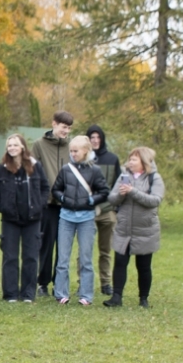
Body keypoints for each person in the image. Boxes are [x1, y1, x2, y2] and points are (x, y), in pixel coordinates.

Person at [50, 135, 108, 305]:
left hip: (86, 219)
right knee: (62, 258)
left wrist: (91, 201)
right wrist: (64, 199)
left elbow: (104, 191)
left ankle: (86, 295)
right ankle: (61, 293)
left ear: (85, 151)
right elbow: (56, 189)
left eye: (76, 151)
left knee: (86, 258)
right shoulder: (66, 169)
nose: (73, 154)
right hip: (66, 217)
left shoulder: (95, 171)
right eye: (71, 151)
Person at [105, 147, 165, 308]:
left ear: (143, 162)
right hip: (124, 229)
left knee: (144, 266)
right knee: (120, 262)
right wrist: (121, 194)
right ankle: (116, 297)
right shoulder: (124, 176)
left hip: (146, 230)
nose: (130, 162)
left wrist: (133, 191)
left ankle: (143, 299)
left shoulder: (154, 178)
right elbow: (112, 199)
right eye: (130, 159)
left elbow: (154, 201)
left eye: (134, 159)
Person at [0, 134, 46, 302]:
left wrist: (39, 205)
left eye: (15, 145)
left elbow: (45, 187)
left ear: (22, 147)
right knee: (10, 257)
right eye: (9, 145)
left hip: (32, 219)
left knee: (30, 256)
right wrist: (1, 207)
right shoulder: (2, 168)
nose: (12, 148)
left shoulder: (35, 167)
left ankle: (28, 293)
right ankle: (11, 294)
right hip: (10, 220)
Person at [30, 112, 74, 297]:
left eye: (69, 128)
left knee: (63, 246)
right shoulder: (39, 145)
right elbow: (33, 171)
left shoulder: (71, 147)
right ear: (54, 124)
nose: (66, 131)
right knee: (46, 245)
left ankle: (60, 283)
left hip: (67, 203)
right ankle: (43, 283)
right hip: (47, 203)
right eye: (64, 126)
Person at [87, 125, 122, 297]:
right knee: (85, 250)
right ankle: (83, 283)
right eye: (92, 137)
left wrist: (115, 209)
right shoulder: (83, 159)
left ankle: (106, 283)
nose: (95, 140)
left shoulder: (112, 158)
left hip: (108, 211)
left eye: (97, 137)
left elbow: (118, 183)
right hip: (87, 211)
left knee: (105, 250)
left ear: (102, 139)